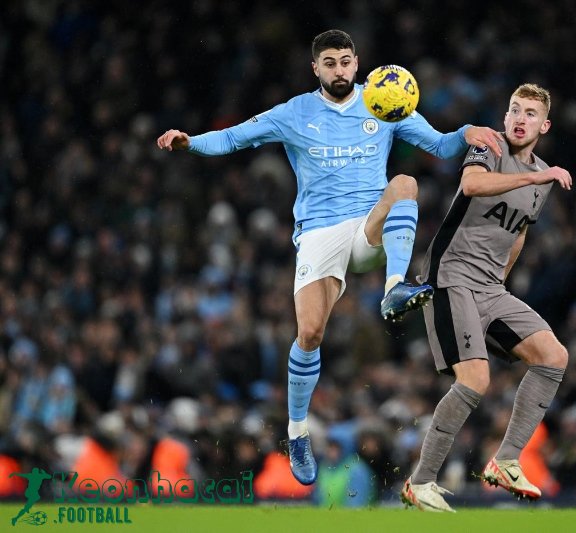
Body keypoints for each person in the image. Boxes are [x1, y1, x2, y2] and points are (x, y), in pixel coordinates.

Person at [156, 29, 502, 486]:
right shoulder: (293, 113)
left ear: (357, 63)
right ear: (315, 68)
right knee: (310, 333)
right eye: (329, 63)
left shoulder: (384, 102)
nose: (339, 70)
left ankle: (395, 287)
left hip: (367, 228)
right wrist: (189, 142)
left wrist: (466, 132)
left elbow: (439, 146)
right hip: (318, 235)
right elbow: (233, 139)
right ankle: (297, 432)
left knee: (405, 185)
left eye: (345, 61)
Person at [399, 83, 572, 512]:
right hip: (450, 275)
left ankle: (507, 459)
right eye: (514, 108)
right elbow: (473, 185)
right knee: (475, 379)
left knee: (554, 356)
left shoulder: (542, 178)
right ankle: (419, 482)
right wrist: (536, 175)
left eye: (530, 113)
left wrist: (502, 282)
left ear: (544, 125)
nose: (518, 118)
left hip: (491, 286)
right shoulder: (489, 145)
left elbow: (519, 232)